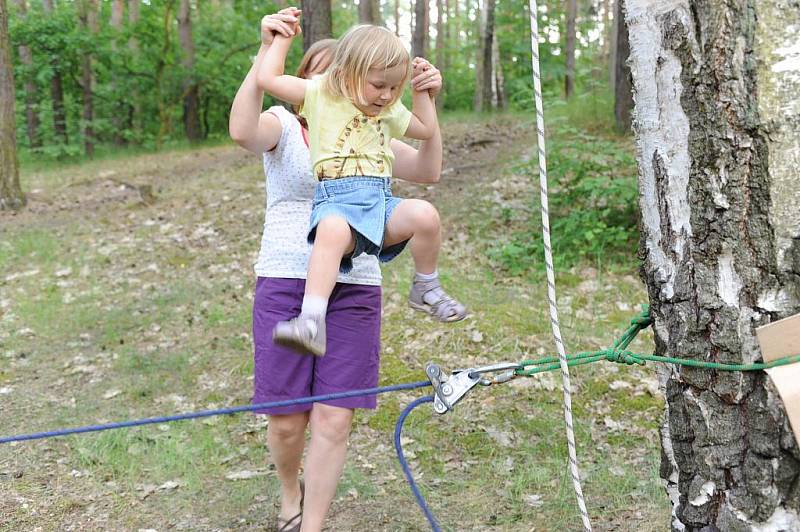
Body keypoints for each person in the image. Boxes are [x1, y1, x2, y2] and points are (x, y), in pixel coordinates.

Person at [229, 9, 450, 532]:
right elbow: (241, 129)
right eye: (324, 77)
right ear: (310, 83)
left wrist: (426, 98)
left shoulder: (370, 130)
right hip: (287, 280)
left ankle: (314, 525)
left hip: (355, 287)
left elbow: (427, 169)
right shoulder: (282, 126)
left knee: (334, 416)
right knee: (287, 420)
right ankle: (290, 495)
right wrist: (270, 45)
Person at [256, 12, 466, 357]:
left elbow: (424, 131)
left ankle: (426, 286)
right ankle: (311, 321)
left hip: (379, 204)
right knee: (333, 231)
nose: (386, 95)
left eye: (394, 87)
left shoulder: (386, 110)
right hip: (337, 202)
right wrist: (281, 40)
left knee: (425, 214)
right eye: (378, 85)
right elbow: (269, 78)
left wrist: (422, 93)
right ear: (346, 73)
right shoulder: (321, 94)